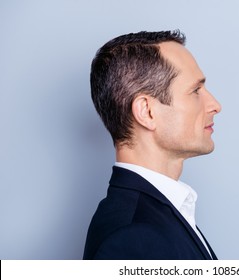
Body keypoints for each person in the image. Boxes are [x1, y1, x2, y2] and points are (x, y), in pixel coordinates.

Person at [83, 30, 222, 260]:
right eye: (195, 90)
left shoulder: (156, 214)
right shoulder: (130, 237)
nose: (215, 105)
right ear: (147, 112)